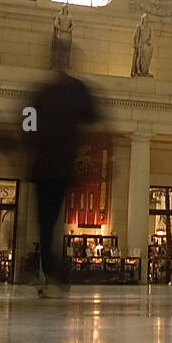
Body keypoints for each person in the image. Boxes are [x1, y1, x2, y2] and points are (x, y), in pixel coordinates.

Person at [24, 69, 99, 298]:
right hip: (49, 167)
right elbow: (28, 121)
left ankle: (54, 275)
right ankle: (55, 276)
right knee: (46, 224)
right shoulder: (50, 93)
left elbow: (91, 116)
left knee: (47, 223)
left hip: (55, 167)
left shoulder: (64, 92)